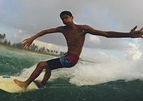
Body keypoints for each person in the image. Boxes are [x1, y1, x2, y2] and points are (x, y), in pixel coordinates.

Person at [14, 11, 143, 89]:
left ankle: (25, 84)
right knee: (48, 67)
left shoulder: (83, 28)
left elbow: (106, 34)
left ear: (72, 17)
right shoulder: (62, 29)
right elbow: (46, 31)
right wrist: (32, 38)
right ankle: (43, 84)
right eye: (63, 19)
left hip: (71, 59)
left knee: (41, 64)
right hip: (68, 57)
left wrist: (128, 35)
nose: (65, 20)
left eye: (66, 17)